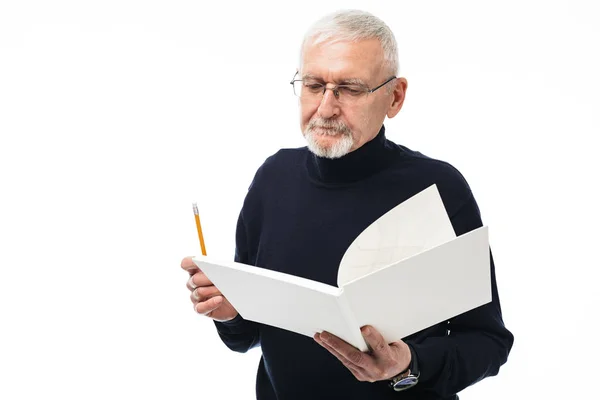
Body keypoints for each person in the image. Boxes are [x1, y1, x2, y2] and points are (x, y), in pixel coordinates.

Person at [181, 9, 513, 400]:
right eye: (313, 84)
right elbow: (249, 337)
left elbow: (489, 343)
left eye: (350, 89)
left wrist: (408, 367)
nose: (325, 108)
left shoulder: (438, 188)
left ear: (395, 96)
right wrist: (230, 313)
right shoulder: (273, 177)